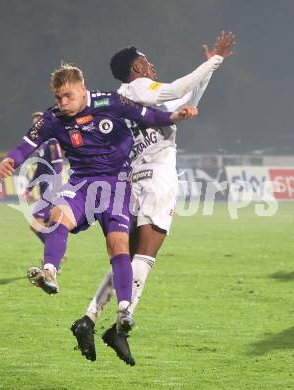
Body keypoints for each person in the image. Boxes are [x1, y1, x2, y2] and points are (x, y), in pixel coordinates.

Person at [0, 64, 198, 345]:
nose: (62, 103)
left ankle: (125, 310)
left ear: (82, 89)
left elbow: (147, 115)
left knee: (118, 245)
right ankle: (50, 272)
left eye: (67, 96)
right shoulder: (53, 118)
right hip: (81, 184)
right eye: (58, 98)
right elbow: (27, 142)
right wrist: (11, 160)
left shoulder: (111, 102)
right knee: (58, 217)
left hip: (116, 185)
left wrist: (174, 116)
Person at [71, 31, 235, 365]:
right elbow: (175, 90)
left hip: (134, 179)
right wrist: (215, 59)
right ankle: (121, 324)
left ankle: (88, 318)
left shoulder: (124, 99)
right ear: (137, 67)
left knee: (128, 258)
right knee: (146, 255)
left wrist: (209, 69)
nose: (152, 65)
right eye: (147, 61)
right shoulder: (139, 87)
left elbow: (182, 101)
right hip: (158, 177)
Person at [24, 112, 63, 243]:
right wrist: (29, 188)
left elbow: (58, 165)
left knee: (35, 224)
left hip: (50, 190)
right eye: (35, 123)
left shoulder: (52, 142)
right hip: (44, 190)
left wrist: (55, 188)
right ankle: (54, 255)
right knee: (47, 225)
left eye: (39, 122)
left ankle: (55, 251)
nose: (37, 125)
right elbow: (39, 170)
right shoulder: (41, 145)